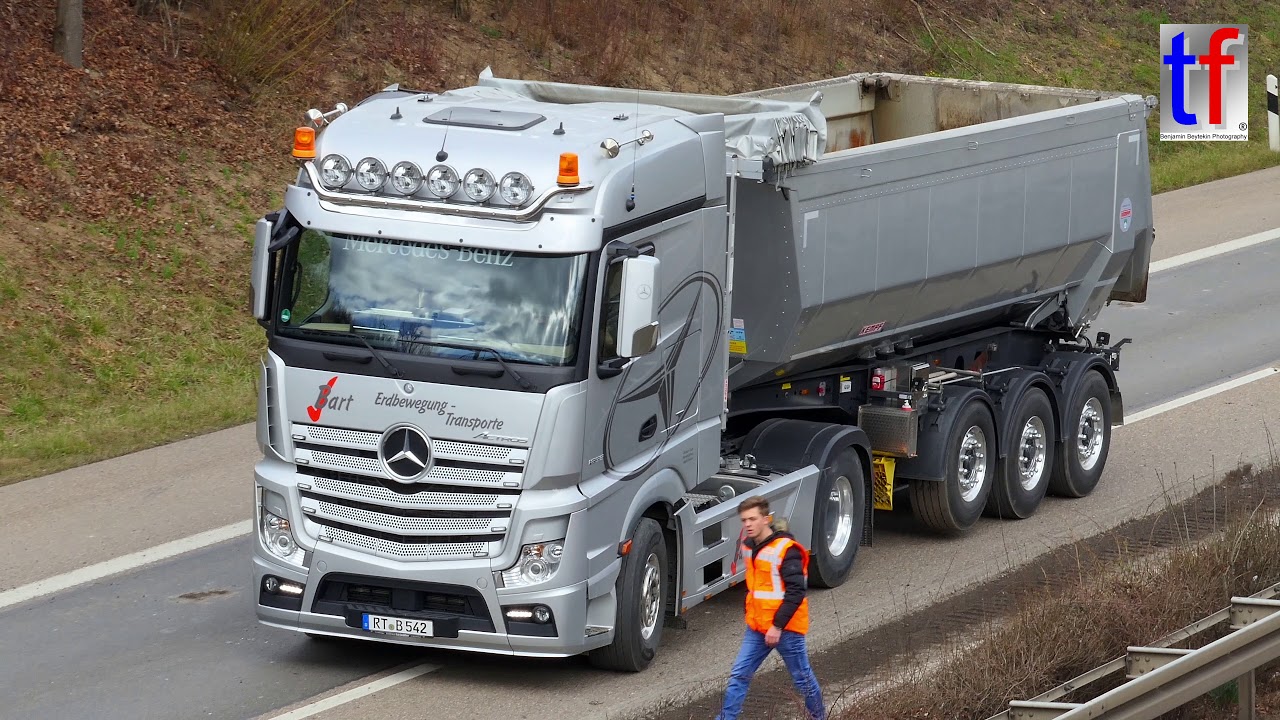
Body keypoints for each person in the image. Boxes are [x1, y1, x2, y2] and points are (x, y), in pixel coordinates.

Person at [715, 496, 825, 720]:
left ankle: (819, 717)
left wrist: (777, 626)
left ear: (766, 519)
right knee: (739, 675)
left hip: (786, 629)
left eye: (753, 519)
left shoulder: (787, 550)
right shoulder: (748, 546)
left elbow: (796, 592)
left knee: (802, 679)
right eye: (744, 520)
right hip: (757, 627)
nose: (748, 524)